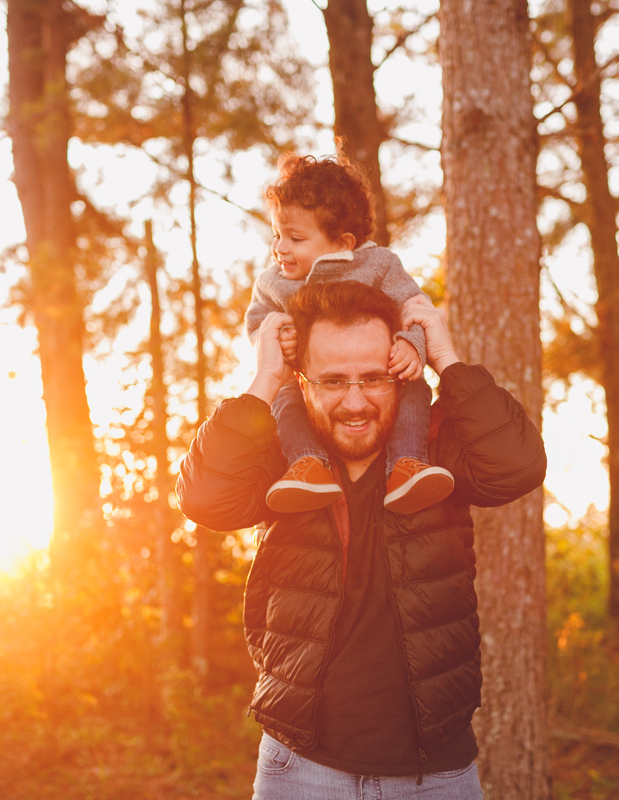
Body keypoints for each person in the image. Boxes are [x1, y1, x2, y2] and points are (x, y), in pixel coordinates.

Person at [177, 282, 547, 799]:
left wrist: (447, 359)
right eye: (332, 380)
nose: (355, 402)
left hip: (434, 773)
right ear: (302, 381)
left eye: (373, 378)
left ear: (400, 370)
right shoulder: (282, 457)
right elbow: (202, 498)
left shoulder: (434, 447)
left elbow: (518, 467)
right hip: (300, 769)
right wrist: (264, 379)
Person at [245, 152, 453, 515]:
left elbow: (414, 307)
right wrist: (278, 340)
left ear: (342, 243)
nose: (280, 248)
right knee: (287, 399)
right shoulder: (272, 283)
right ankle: (307, 464)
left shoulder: (380, 264)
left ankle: (406, 465)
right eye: (277, 235)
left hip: (380, 375)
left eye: (295, 238)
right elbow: (258, 324)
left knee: (414, 386)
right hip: (312, 383)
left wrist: (411, 345)